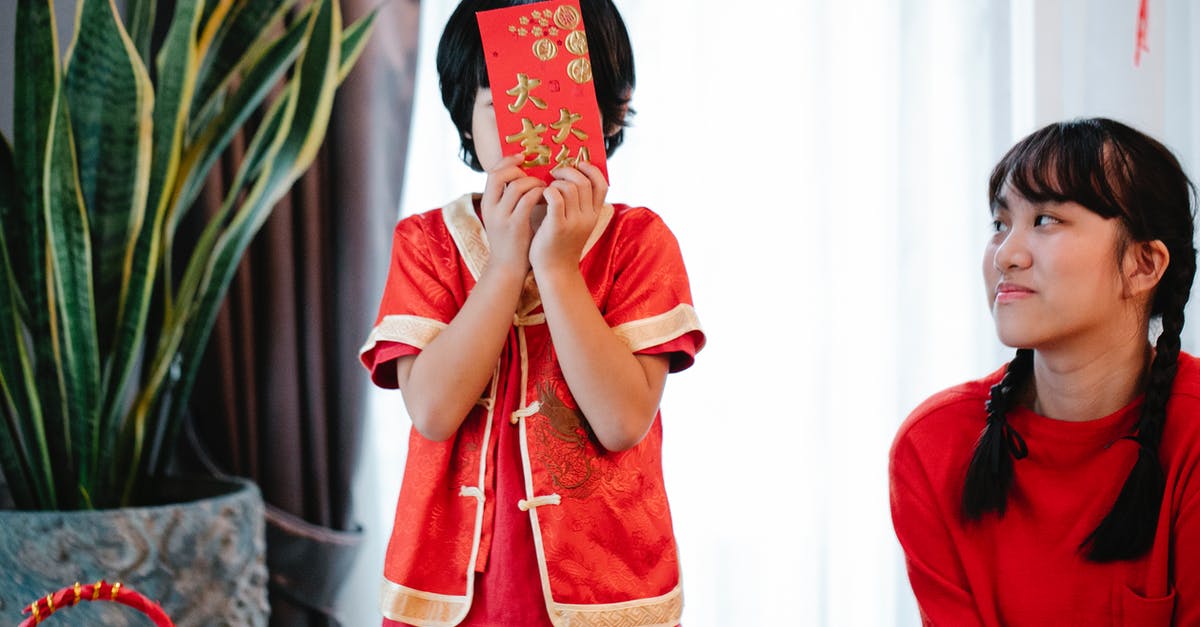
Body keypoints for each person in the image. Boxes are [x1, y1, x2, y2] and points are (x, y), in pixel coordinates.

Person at [359, 2, 705, 626]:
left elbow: (623, 420)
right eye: (499, 105)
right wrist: (503, 267)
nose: (528, 129)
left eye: (557, 98)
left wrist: (557, 267)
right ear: (465, 119)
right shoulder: (427, 243)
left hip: (607, 589)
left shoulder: (640, 242)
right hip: (453, 593)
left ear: (610, 111)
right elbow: (433, 413)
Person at [890, 118, 1200, 626]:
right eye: (999, 224)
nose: (1007, 255)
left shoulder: (1192, 438)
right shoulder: (934, 445)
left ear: (1143, 265)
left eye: (1046, 220)